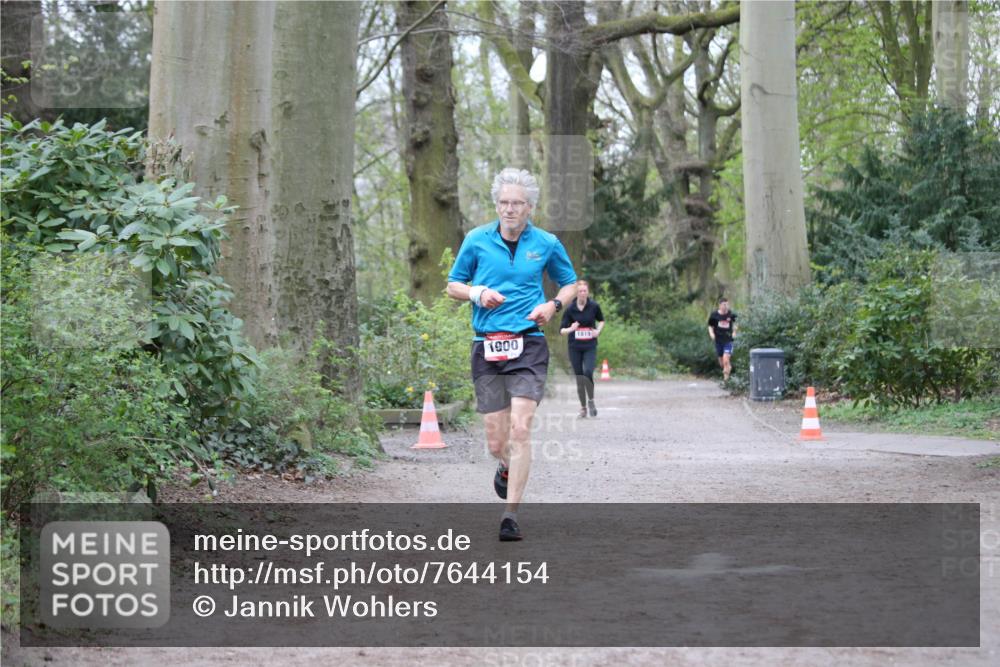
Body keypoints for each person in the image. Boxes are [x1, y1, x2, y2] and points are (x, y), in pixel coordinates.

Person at [446, 167, 577, 542]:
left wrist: (552, 306)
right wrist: (477, 293)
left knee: (521, 427)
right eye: (503, 203)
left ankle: (510, 515)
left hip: (528, 343)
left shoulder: (547, 243)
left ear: (530, 207)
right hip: (486, 343)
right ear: (496, 205)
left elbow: (568, 283)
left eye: (517, 203)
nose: (509, 209)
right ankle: (504, 466)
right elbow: (454, 284)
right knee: (496, 440)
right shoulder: (476, 240)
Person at [559, 279, 605, 418]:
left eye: (585, 291)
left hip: (590, 345)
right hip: (575, 347)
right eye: (580, 291)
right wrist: (571, 328)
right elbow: (561, 330)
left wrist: (598, 331)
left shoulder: (594, 306)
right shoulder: (570, 309)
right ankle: (583, 408)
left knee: (588, 372)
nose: (583, 293)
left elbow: (601, 320)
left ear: (587, 292)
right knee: (579, 377)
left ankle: (591, 400)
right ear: (576, 293)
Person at [707, 297, 738, 381]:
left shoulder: (731, 315)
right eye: (724, 305)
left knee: (725, 359)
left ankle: (726, 380)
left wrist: (734, 332)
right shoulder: (714, 315)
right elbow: (710, 326)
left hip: (728, 340)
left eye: (727, 304)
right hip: (718, 340)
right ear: (720, 305)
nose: (726, 306)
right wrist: (711, 334)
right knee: (722, 363)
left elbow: (736, 324)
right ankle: (728, 367)